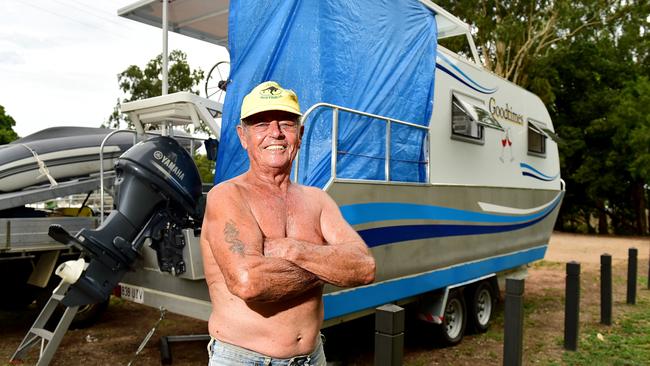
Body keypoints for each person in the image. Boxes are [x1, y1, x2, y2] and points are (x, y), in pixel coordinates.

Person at [200, 81, 376, 365]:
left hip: (312, 356)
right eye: (260, 124)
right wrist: (330, 264)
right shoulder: (227, 196)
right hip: (243, 359)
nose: (275, 133)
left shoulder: (318, 200)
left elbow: (365, 267)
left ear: (300, 134)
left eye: (286, 123)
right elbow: (249, 282)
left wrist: (293, 249)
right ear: (243, 136)